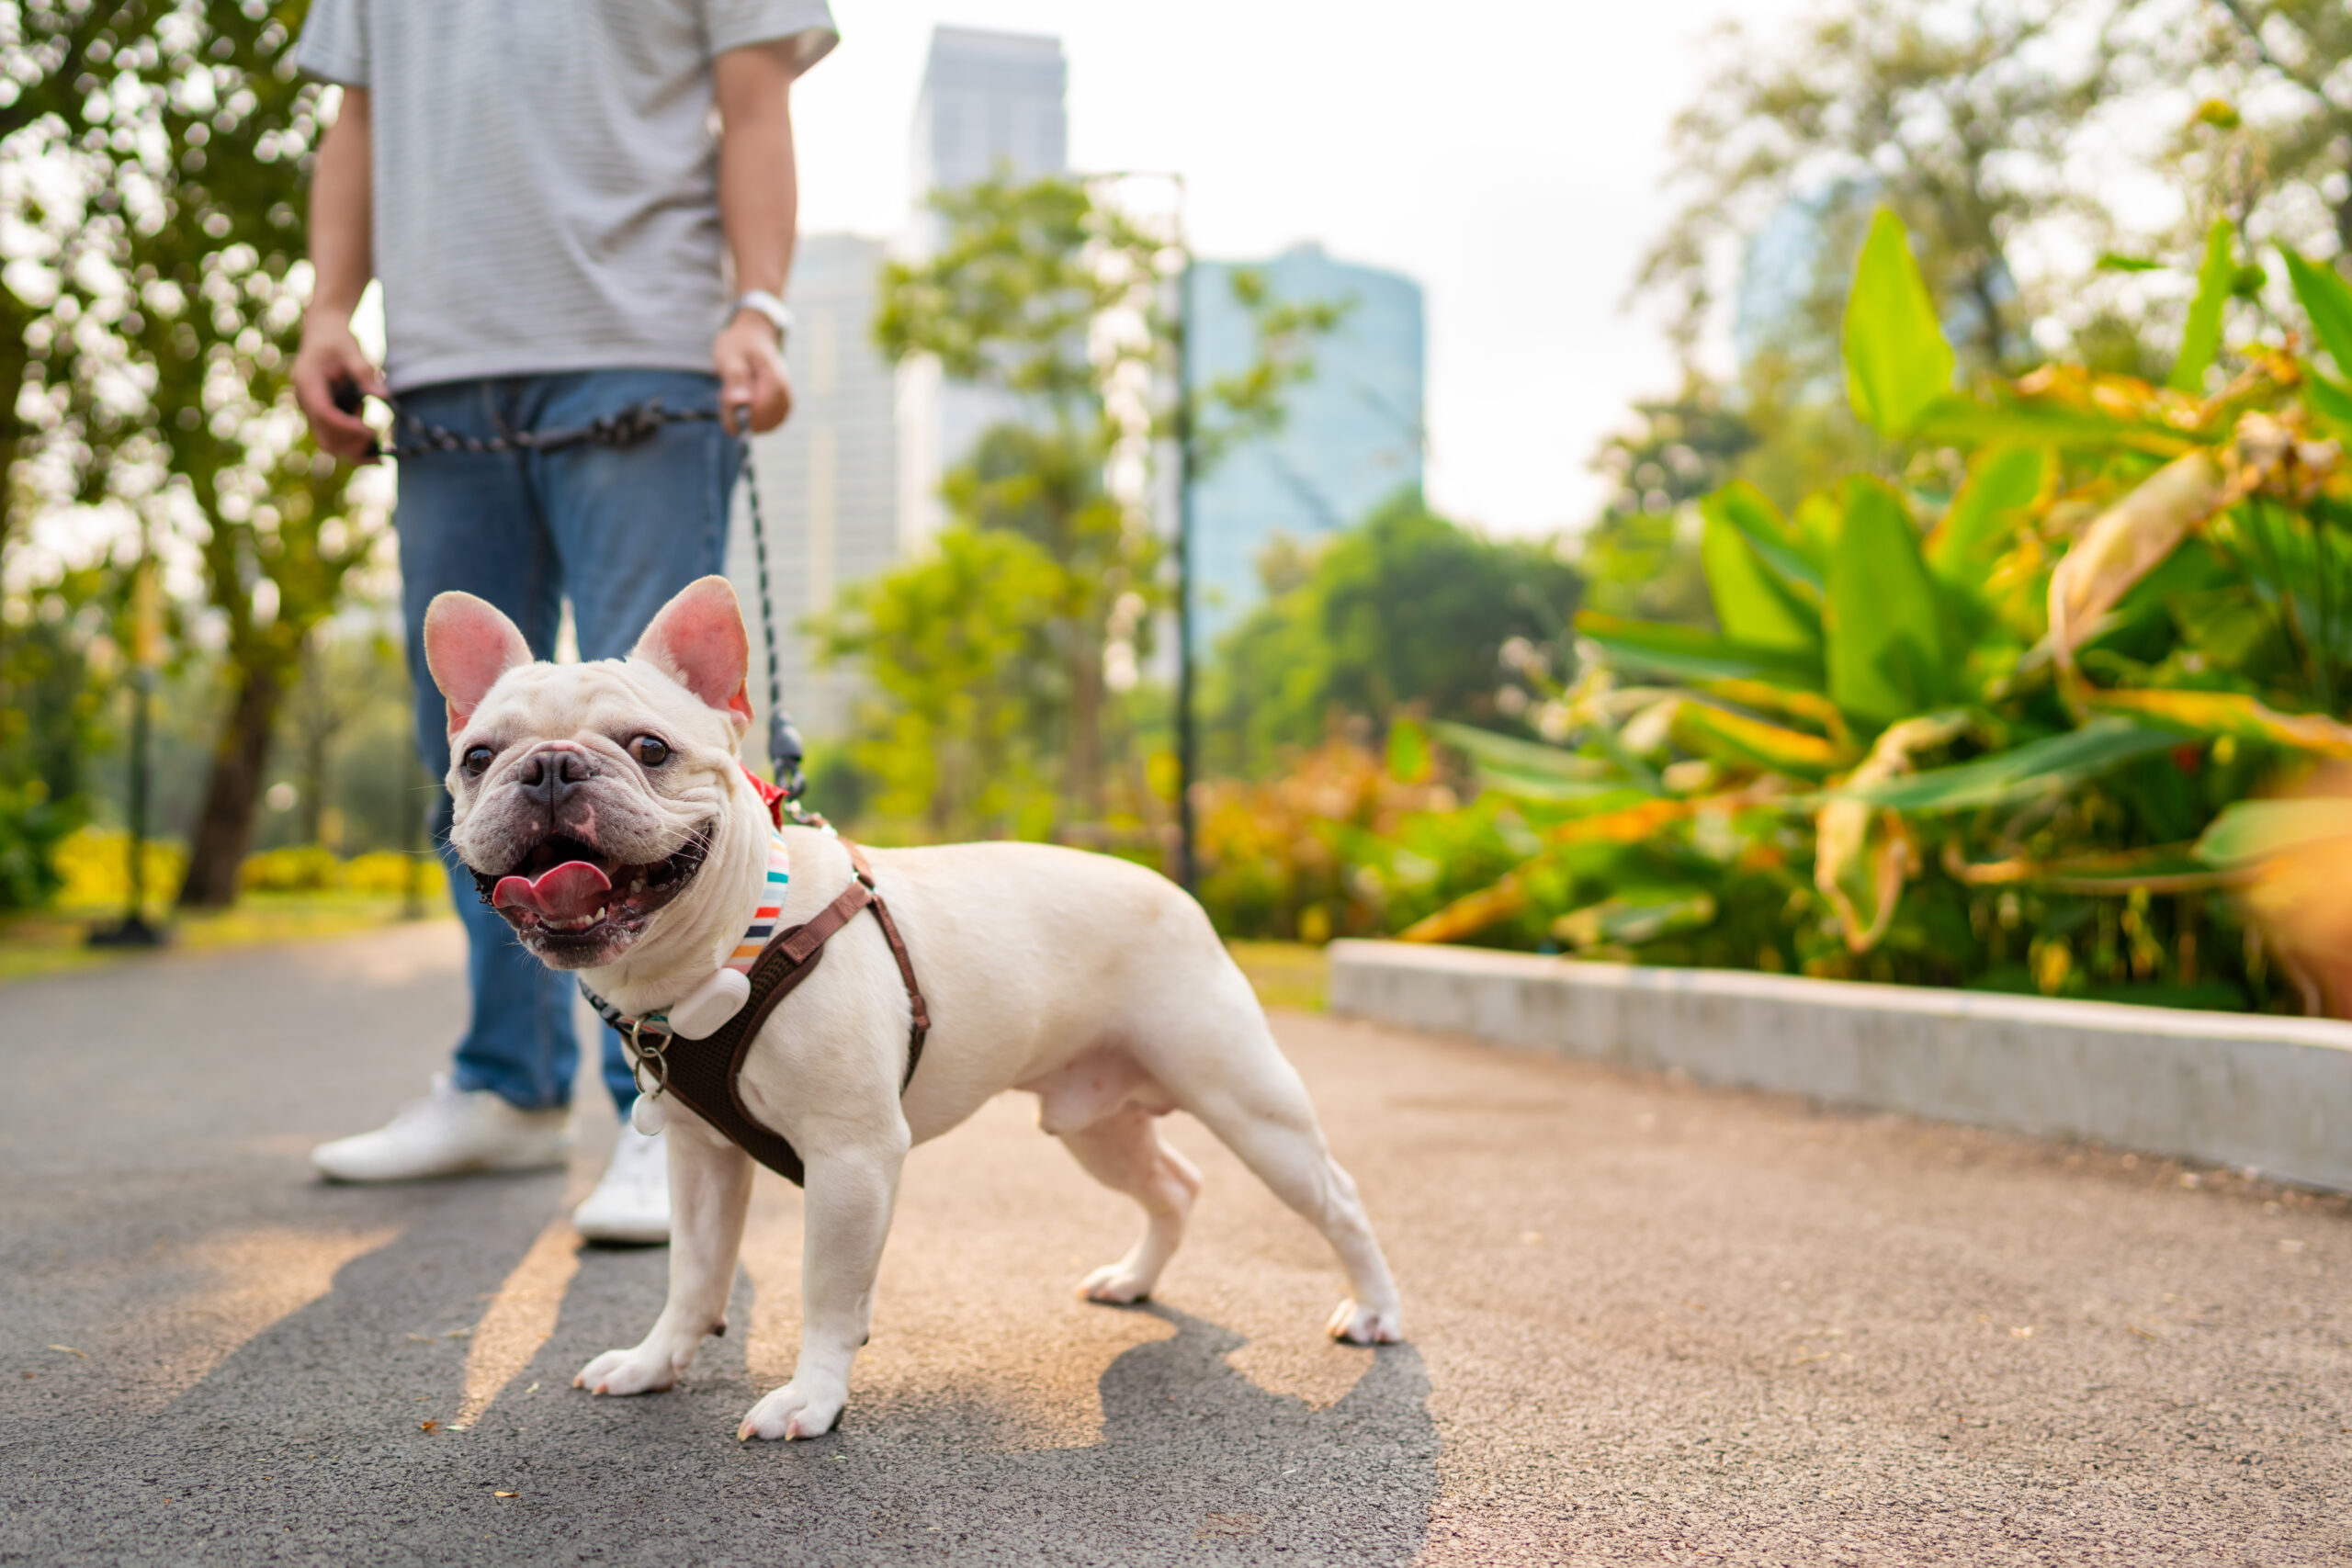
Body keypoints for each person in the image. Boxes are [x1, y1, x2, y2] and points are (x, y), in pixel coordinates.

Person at [291, 1, 836, 1243]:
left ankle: (671, 1109)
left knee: (660, 748)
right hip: (432, 369)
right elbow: (358, 118)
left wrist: (762, 306)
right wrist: (332, 306)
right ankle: (507, 1084)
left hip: (646, 354)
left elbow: (756, 99)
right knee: (489, 756)